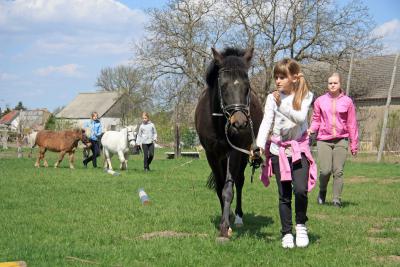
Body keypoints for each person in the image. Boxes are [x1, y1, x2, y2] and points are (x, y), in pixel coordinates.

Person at [253, 58, 317, 249]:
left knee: (300, 190)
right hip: (278, 150)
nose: (278, 81)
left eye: (283, 77)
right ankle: (287, 232)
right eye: (276, 77)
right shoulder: (272, 98)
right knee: (284, 194)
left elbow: (299, 118)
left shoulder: (305, 95)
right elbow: (266, 122)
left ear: (294, 78)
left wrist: (281, 104)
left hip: (299, 149)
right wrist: (257, 145)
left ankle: (301, 226)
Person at [307, 73, 359, 208]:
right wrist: (311, 130)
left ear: (340, 84)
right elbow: (316, 119)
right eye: (330, 83)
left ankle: (336, 199)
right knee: (325, 170)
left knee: (338, 171)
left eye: (335, 83)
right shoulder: (320, 101)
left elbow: (351, 124)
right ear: (327, 85)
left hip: (341, 140)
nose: (332, 85)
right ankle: (322, 191)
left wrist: (354, 144)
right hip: (323, 140)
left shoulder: (347, 102)